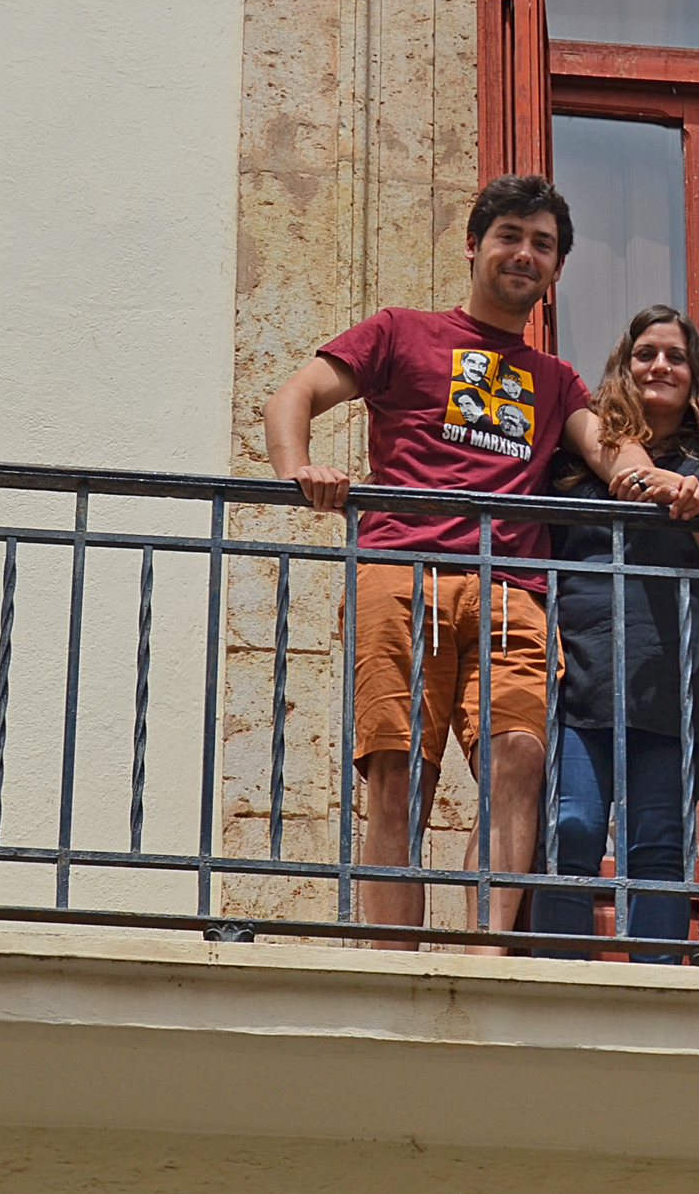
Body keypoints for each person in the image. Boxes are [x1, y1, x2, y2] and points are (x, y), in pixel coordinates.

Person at [263, 174, 661, 950]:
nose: (525, 253)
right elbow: (295, 395)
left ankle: (487, 955)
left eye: (543, 244)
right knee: (398, 773)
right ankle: (393, 960)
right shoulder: (400, 331)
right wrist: (297, 470)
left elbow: (612, 450)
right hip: (400, 572)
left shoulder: (554, 379)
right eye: (510, 235)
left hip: (511, 588)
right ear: (474, 245)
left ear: (556, 269)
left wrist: (657, 477)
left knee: (517, 762)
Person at [531, 305, 699, 963]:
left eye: (675, 356)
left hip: (674, 673)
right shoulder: (577, 454)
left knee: (657, 842)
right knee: (569, 830)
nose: (660, 365)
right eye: (645, 353)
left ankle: (660, 978)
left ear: (696, 376)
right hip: (580, 664)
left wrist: (688, 502)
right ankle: (558, 982)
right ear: (624, 369)